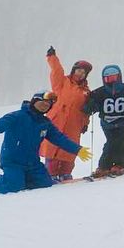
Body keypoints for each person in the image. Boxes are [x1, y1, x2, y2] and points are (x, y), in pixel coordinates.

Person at [0, 90, 91, 195]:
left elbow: (60, 139)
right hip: (13, 162)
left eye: (48, 105)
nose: (45, 106)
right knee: (14, 187)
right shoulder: (17, 116)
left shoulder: (45, 123)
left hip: (33, 163)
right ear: (34, 101)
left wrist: (77, 149)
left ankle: (22, 180)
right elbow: (0, 125)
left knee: (45, 184)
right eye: (42, 102)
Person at [40, 46, 92, 181]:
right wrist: (52, 57)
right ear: (74, 70)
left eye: (84, 72)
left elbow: (86, 110)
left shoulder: (86, 92)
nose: (80, 74)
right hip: (56, 120)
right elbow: (56, 70)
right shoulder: (62, 82)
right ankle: (50, 173)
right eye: (79, 70)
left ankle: (65, 172)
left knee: (69, 149)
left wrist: (85, 123)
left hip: (74, 124)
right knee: (53, 147)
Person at [82, 65, 124, 176]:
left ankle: (114, 165)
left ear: (119, 77)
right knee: (112, 142)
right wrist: (92, 106)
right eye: (108, 79)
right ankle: (108, 165)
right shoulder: (99, 92)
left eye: (114, 78)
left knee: (120, 141)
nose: (111, 82)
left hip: (123, 121)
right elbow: (89, 105)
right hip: (107, 123)